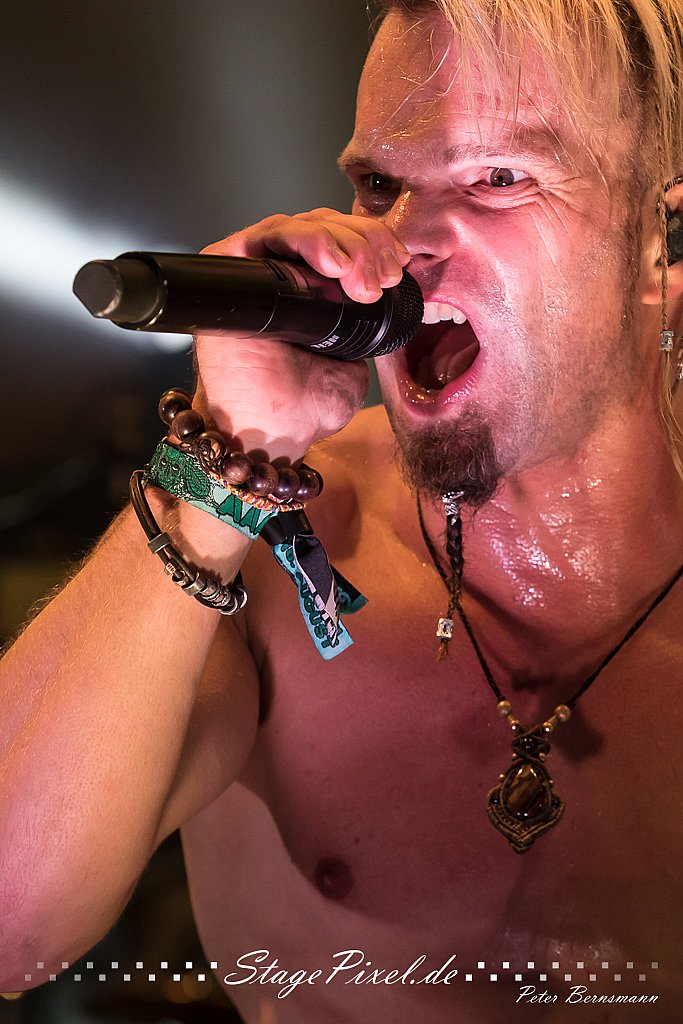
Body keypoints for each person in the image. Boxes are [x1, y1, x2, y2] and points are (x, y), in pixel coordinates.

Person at [1, 0, 682, 1020]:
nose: (403, 245)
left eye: (499, 177)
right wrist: (228, 461)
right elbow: (11, 925)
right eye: (379, 186)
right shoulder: (274, 549)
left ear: (659, 243)